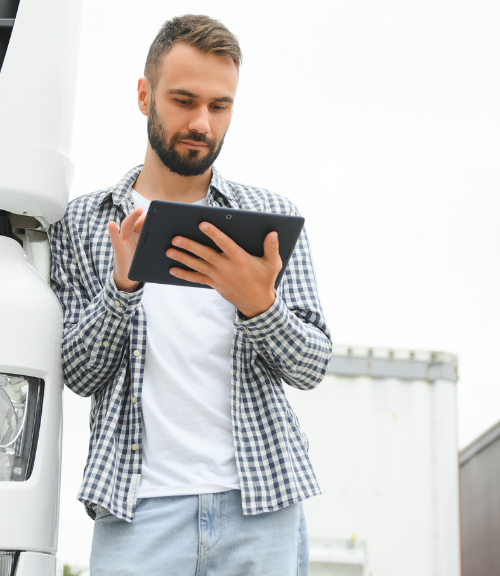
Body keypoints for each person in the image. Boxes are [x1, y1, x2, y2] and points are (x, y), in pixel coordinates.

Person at [48, 14, 331, 576]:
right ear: (143, 95)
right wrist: (122, 290)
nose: (201, 122)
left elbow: (312, 365)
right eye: (183, 100)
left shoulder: (269, 219)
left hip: (263, 504)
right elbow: (77, 374)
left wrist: (259, 303)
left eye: (219, 106)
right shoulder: (83, 222)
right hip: (138, 510)